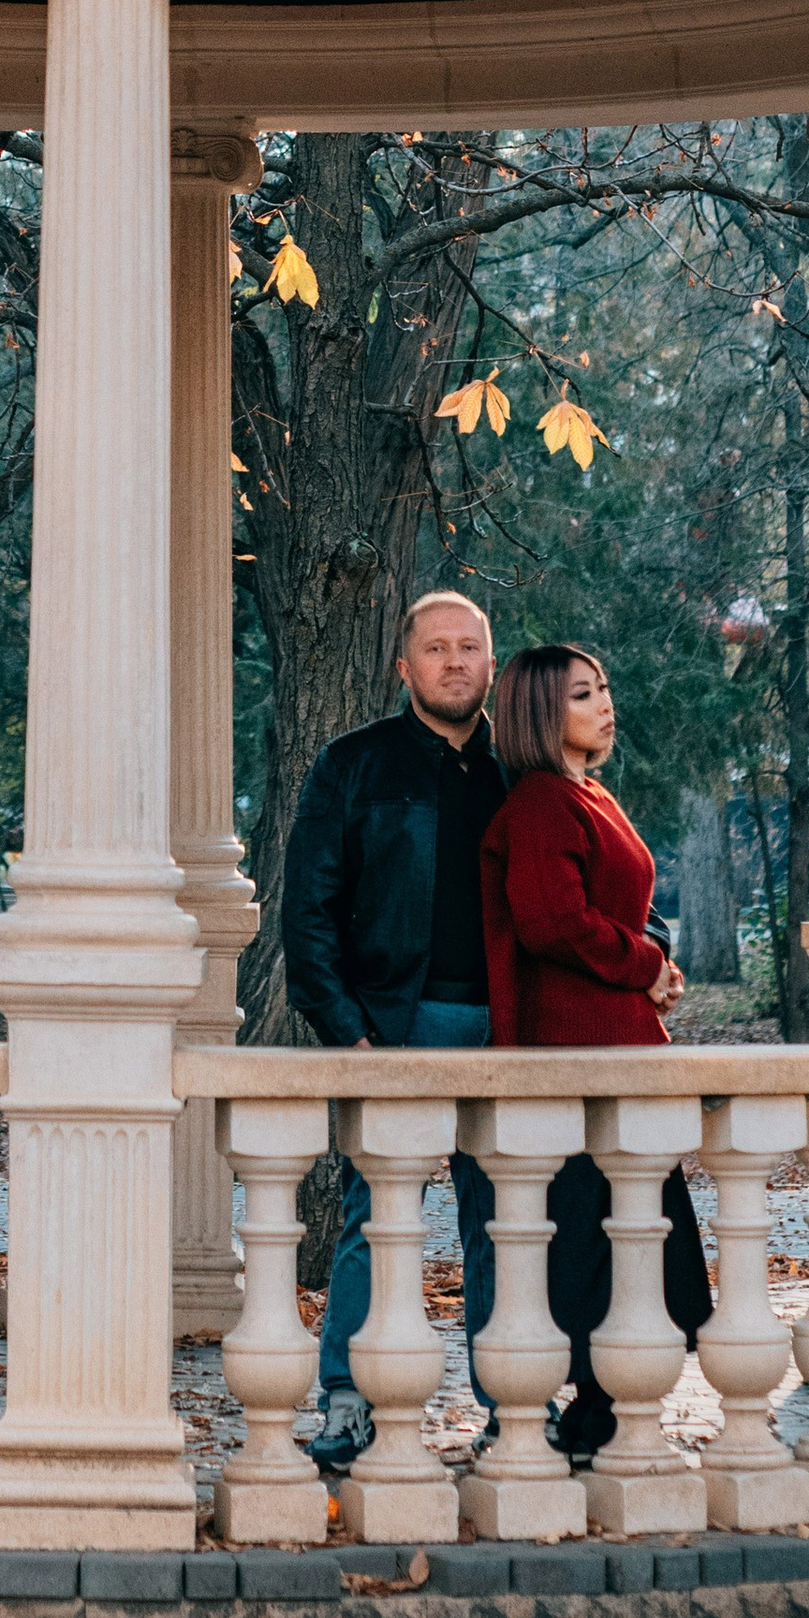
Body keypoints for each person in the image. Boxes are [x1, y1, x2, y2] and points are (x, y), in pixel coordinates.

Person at [279, 590, 504, 1474]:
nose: (454, 661)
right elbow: (310, 914)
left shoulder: (524, 769)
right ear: (403, 666)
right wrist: (351, 1034)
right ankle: (348, 1398)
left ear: (492, 662)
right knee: (377, 1219)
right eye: (436, 647)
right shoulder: (353, 765)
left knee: (506, 1221)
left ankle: (513, 1405)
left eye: (470, 647)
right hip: (393, 1025)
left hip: (510, 1033)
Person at [479, 640, 712, 1466]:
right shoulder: (543, 800)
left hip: (616, 1042)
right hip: (574, 1052)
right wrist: (645, 963)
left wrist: (655, 964)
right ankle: (594, 1411)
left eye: (605, 687)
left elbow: (607, 911)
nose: (605, 702)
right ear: (543, 712)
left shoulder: (589, 793)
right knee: (593, 1233)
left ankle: (598, 1411)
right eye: (584, 693)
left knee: (634, 1230)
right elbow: (549, 920)